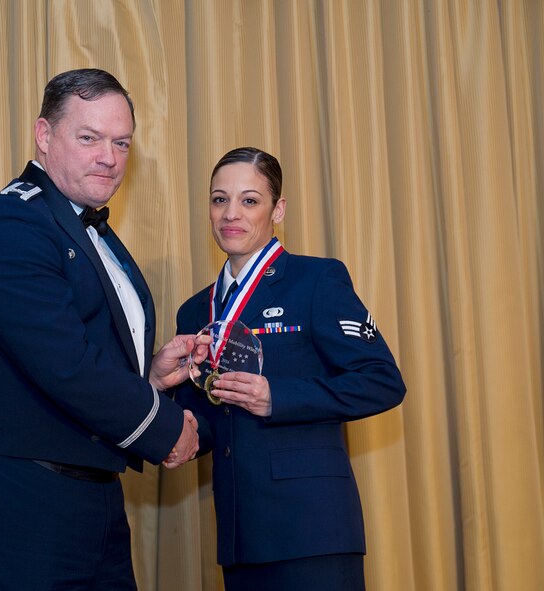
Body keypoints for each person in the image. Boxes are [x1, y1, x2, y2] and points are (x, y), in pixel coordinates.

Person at [0, 68, 204, 591]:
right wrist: (166, 429)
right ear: (44, 135)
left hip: (92, 492)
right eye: (89, 138)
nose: (108, 156)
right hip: (23, 495)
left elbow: (83, 352)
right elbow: (65, 365)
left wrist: (149, 380)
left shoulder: (81, 224)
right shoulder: (10, 224)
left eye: (121, 142)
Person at [173, 147, 406, 590]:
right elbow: (203, 415)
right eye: (219, 199)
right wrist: (174, 435)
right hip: (240, 535)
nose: (231, 214)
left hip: (313, 530)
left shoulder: (317, 280)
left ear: (277, 209)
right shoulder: (194, 311)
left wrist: (276, 397)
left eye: (249, 200)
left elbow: (381, 382)